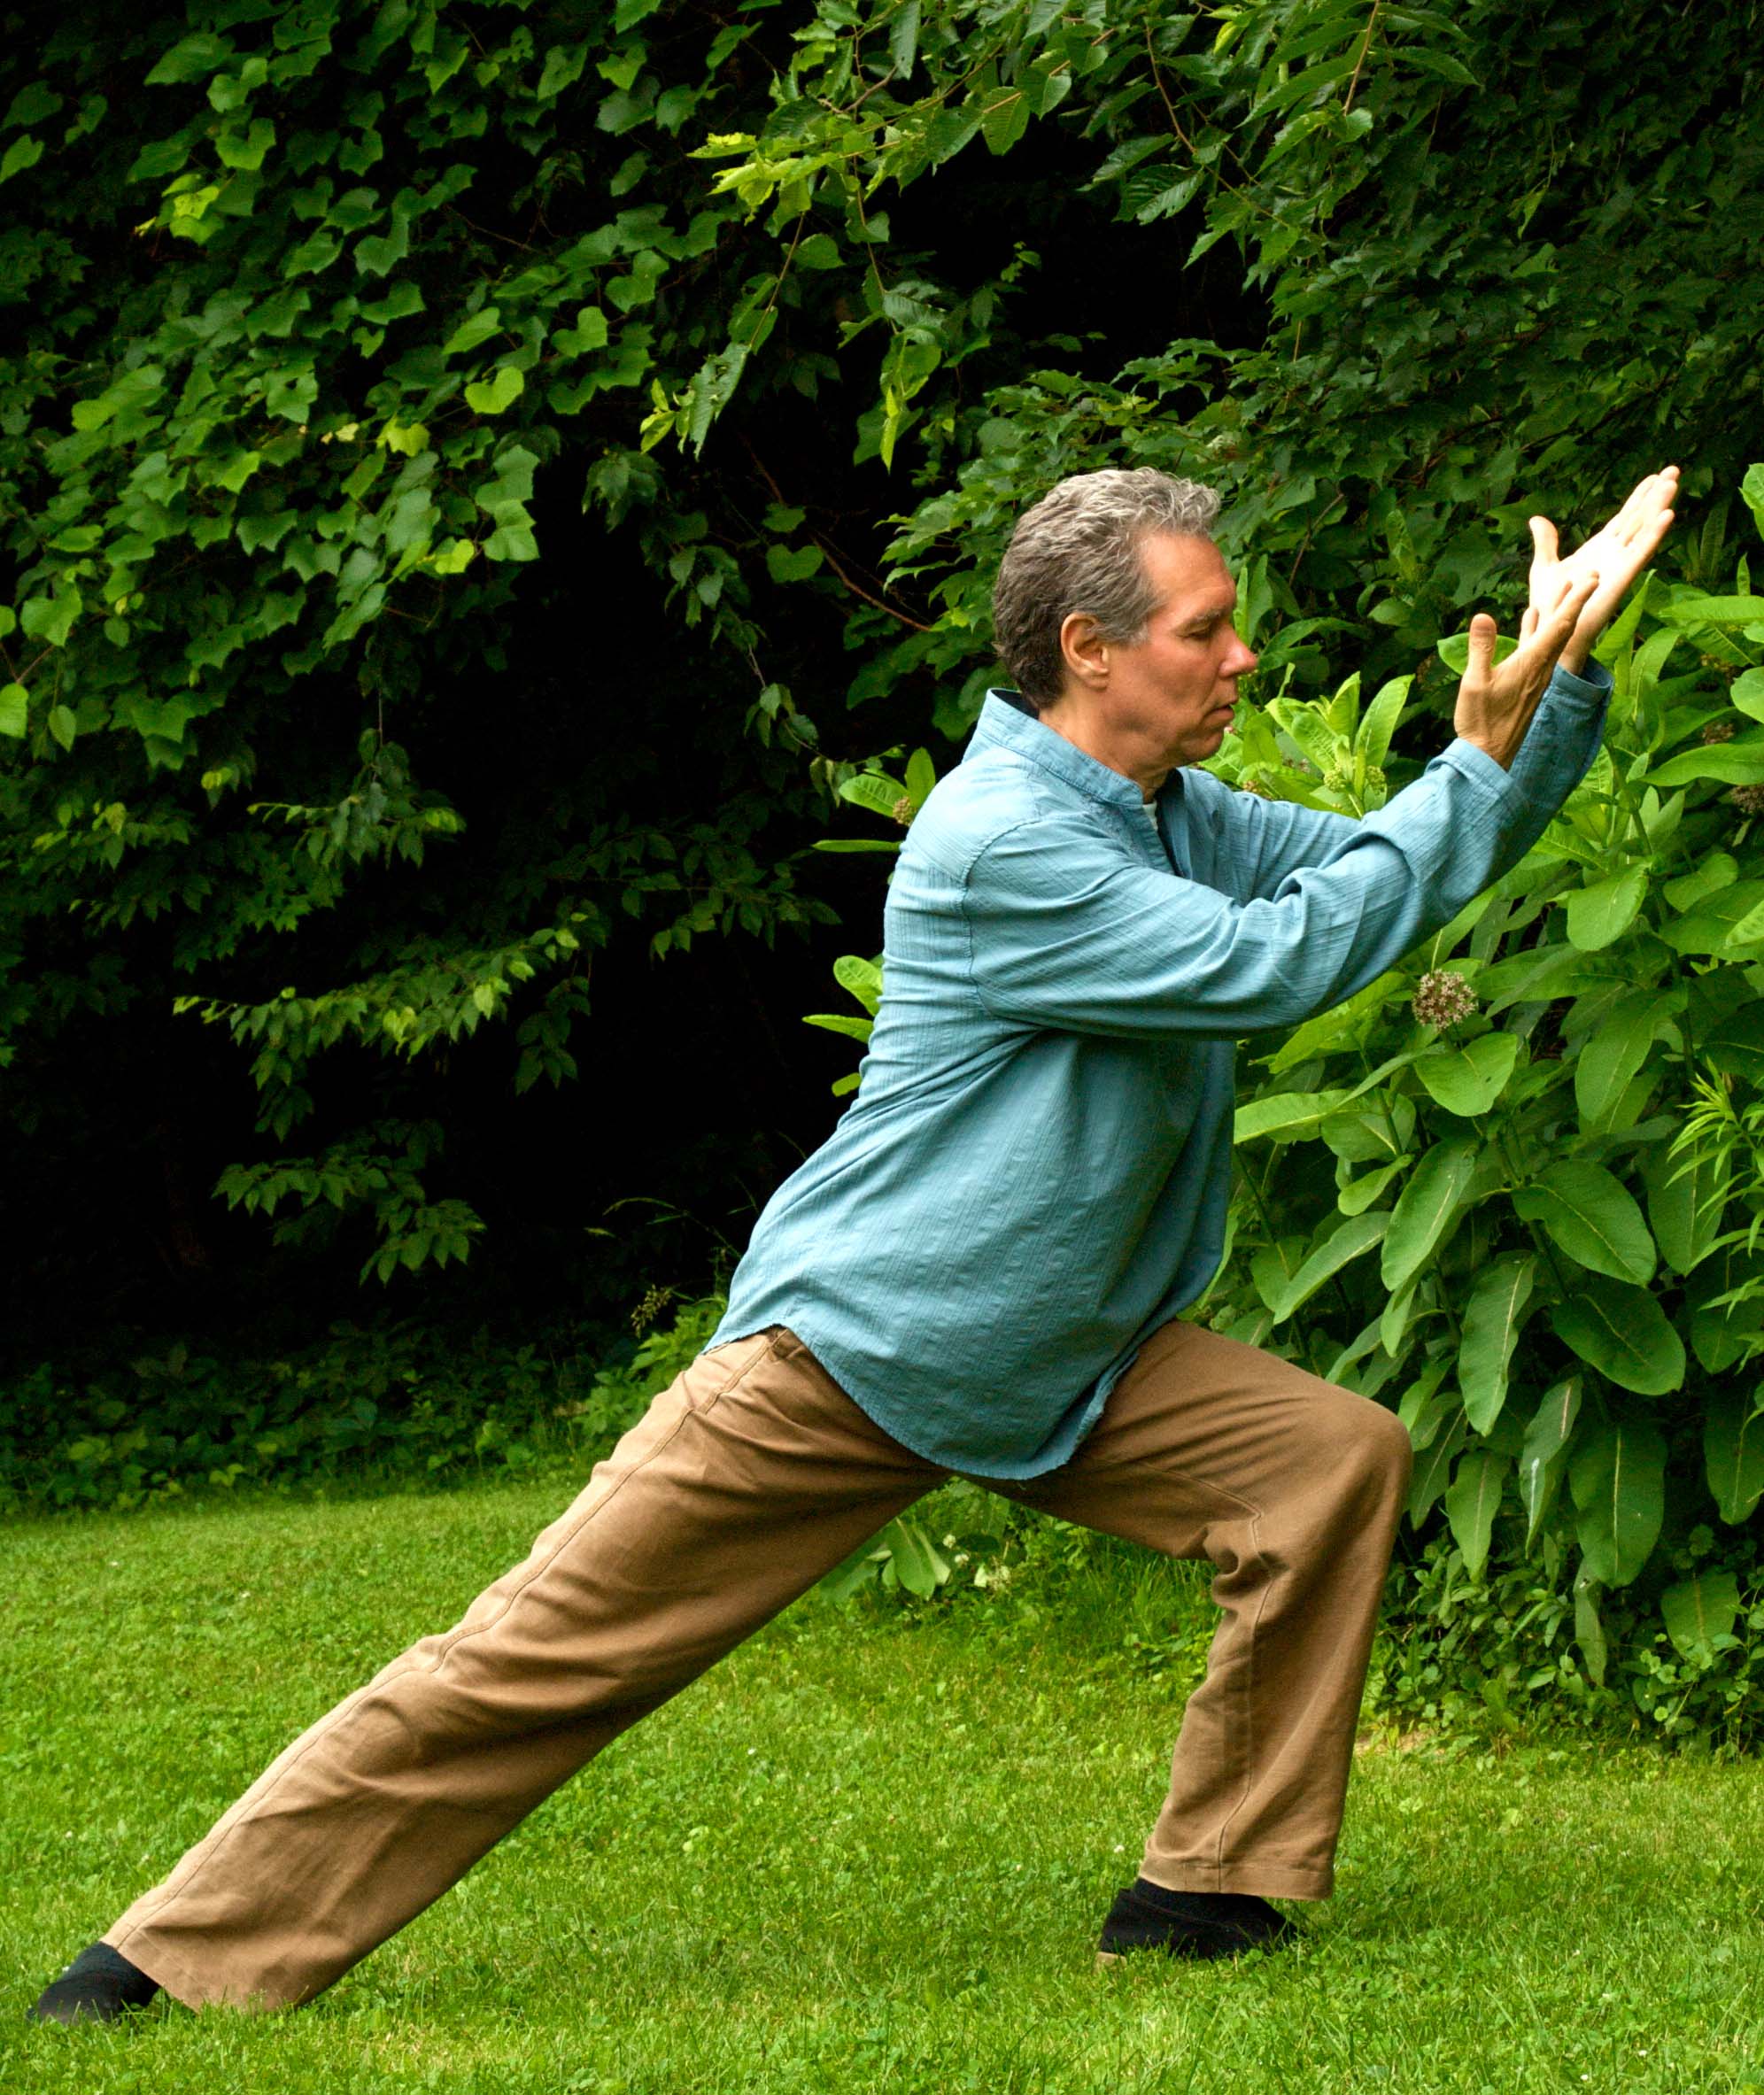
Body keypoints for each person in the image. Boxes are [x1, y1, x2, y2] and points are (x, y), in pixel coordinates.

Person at [31, 462, 1677, 2024]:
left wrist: (1556, 684)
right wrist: (1469, 773)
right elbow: (1276, 964)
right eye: (1204, 628)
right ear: (1088, 649)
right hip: (866, 1347)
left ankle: (1206, 1894)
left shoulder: (1163, 805)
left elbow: (1389, 868)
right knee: (533, 1663)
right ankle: (163, 1960)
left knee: (1326, 1462)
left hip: (1067, 1348)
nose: (1241, 653)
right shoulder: (1004, 839)